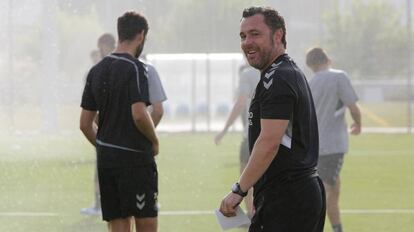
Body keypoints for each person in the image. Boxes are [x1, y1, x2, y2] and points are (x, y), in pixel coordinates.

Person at [219, 6, 326, 232]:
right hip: (294, 195)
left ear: (278, 36)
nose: (247, 42)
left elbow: (269, 142)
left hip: (288, 197)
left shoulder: (277, 77)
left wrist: (239, 190)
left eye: (255, 34)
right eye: (243, 36)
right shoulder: (283, 72)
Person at [80, 11, 159, 232]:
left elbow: (85, 124)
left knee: (118, 224)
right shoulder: (135, 67)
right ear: (141, 35)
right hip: (135, 159)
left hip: (107, 161)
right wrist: (154, 140)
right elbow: (139, 113)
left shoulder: (96, 70)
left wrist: (105, 146)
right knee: (146, 222)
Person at [306, 47, 361, 232]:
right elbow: (353, 106)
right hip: (332, 145)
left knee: (330, 186)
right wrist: (358, 124)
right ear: (327, 59)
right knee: (329, 190)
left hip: (314, 146)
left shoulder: (310, 82)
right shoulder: (339, 77)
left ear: (310, 65)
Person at [214, 64, 259, 217]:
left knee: (247, 176)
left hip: (253, 136)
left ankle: (253, 216)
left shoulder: (248, 74)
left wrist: (224, 130)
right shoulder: (284, 69)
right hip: (277, 136)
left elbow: (240, 103)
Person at [81, 33, 116, 216]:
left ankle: (102, 205)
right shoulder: (115, 69)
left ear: (105, 45)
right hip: (111, 133)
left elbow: (90, 115)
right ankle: (100, 204)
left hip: (109, 134)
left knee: (105, 172)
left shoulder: (108, 70)